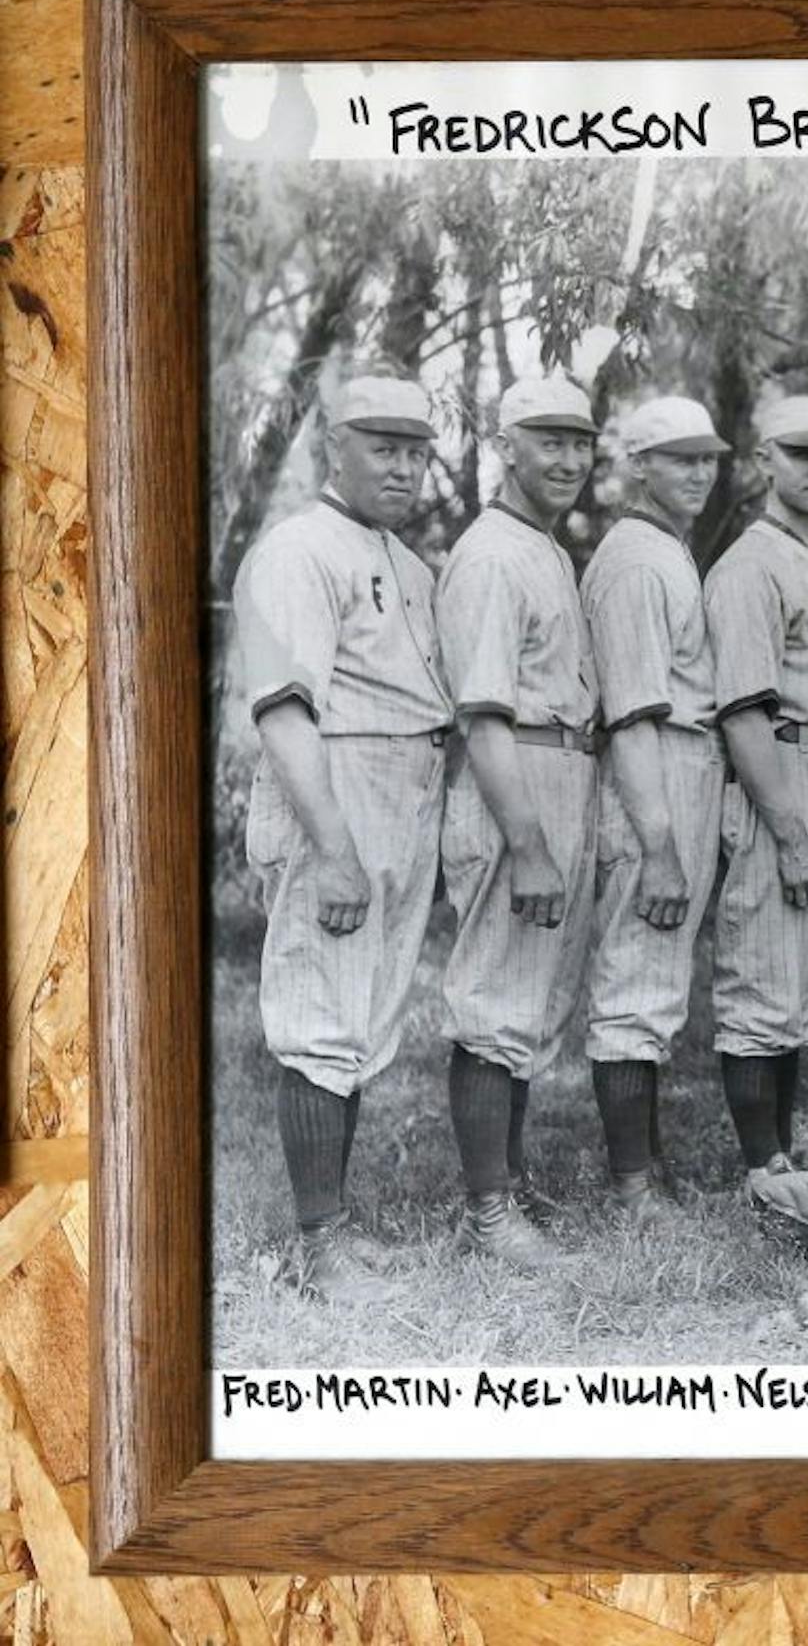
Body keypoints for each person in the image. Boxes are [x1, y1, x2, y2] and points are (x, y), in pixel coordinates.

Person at [234, 372, 453, 1303]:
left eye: (416, 450)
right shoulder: (299, 548)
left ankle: (336, 1232)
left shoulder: (403, 561)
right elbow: (285, 714)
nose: (403, 468)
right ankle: (317, 1250)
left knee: (361, 1022)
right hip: (336, 784)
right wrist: (331, 848)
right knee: (323, 1016)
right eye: (382, 447)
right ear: (335, 444)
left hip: (403, 781)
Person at [437, 371, 602, 1269]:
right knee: (495, 998)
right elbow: (485, 713)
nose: (570, 458)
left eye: (581, 442)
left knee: (532, 1000)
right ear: (508, 448)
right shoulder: (495, 552)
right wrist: (529, 844)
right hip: (517, 784)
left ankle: (506, 1180)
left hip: (561, 768)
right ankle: (489, 1217)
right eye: (549, 440)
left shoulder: (544, 546)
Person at [703, 396, 808, 1181]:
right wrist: (793, 832)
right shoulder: (750, 563)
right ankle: (761, 1163)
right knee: (761, 978)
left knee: (800, 988)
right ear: (765, 460)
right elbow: (741, 712)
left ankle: (784, 1153)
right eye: (803, 454)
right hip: (779, 771)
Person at [580, 395, 728, 1218]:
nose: (699, 472)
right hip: (654, 773)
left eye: (707, 457)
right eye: (679, 457)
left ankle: (648, 1168)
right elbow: (631, 713)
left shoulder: (666, 549)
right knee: (636, 978)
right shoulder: (637, 558)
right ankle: (632, 1184)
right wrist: (661, 846)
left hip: (684, 763)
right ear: (639, 464)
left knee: (658, 979)